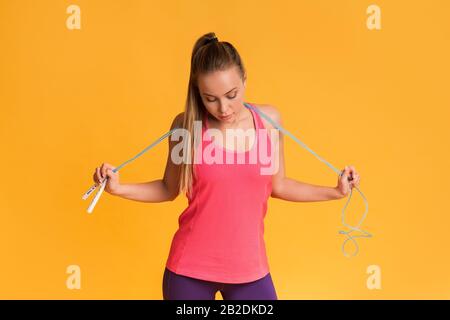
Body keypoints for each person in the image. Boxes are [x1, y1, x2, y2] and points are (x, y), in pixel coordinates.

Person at [92, 32, 361, 300]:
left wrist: (335, 191)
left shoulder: (268, 121)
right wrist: (118, 188)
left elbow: (279, 185)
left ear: (245, 79)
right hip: (188, 272)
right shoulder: (186, 127)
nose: (223, 108)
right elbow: (168, 188)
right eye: (211, 99)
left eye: (232, 94)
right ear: (198, 93)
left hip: (250, 271)